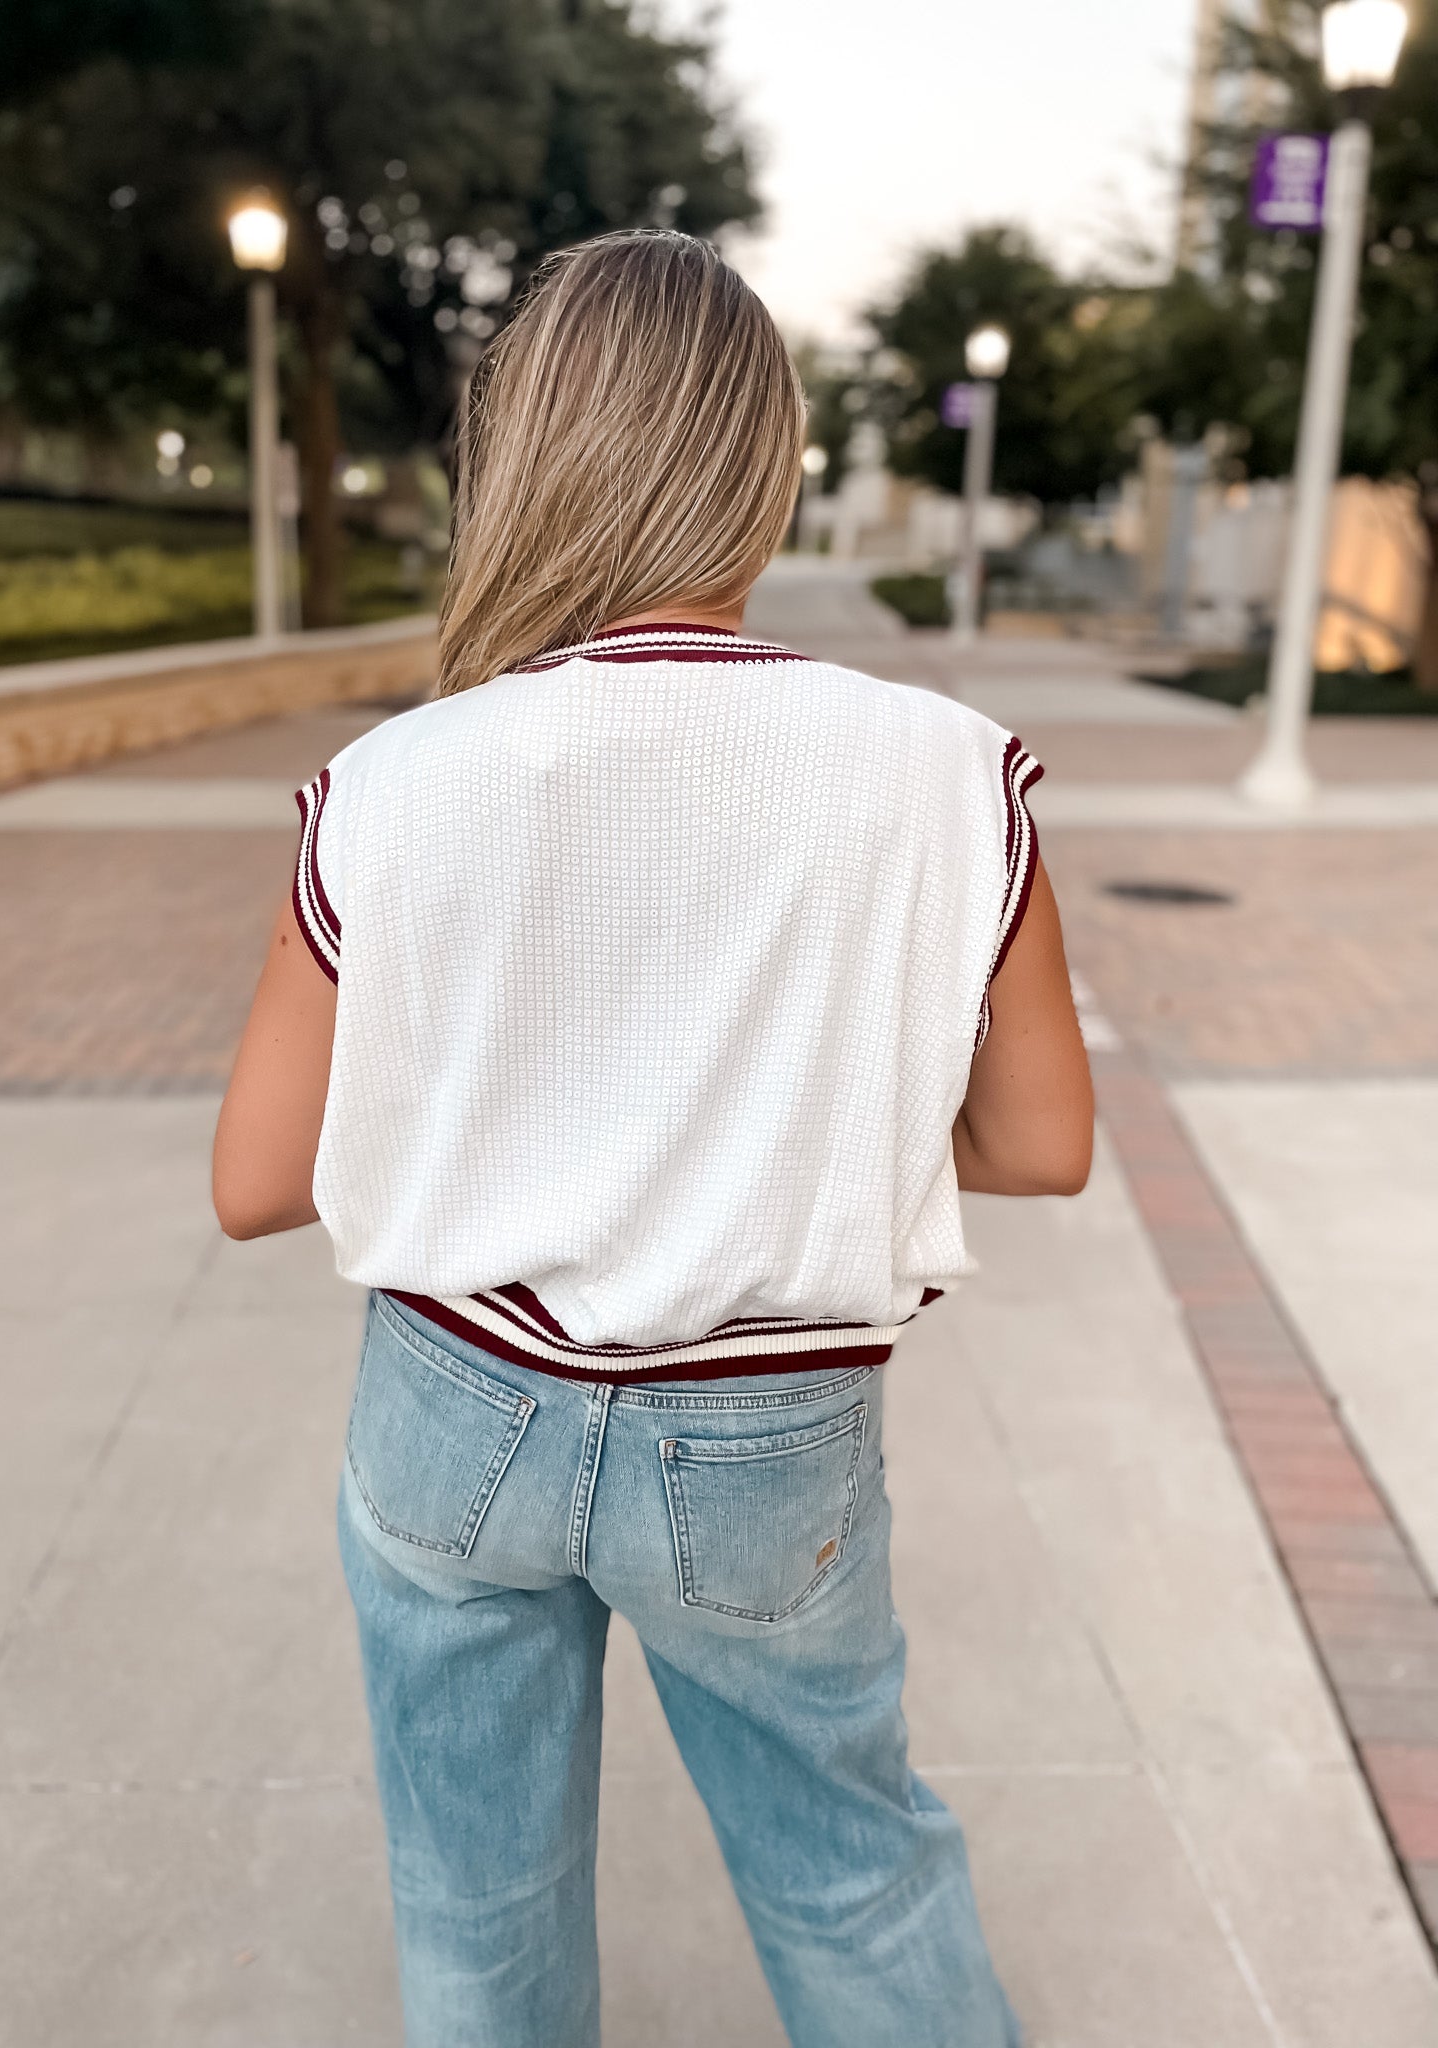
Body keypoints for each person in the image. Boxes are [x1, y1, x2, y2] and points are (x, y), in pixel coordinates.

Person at [213, 229, 1093, 2048]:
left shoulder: (392, 782)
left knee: (477, 1917)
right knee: (856, 1882)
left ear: (524, 455)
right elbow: (1045, 1140)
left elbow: (253, 1181)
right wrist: (801, 1116)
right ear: (764, 461)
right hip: (769, 1435)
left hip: (451, 1413)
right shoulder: (944, 769)